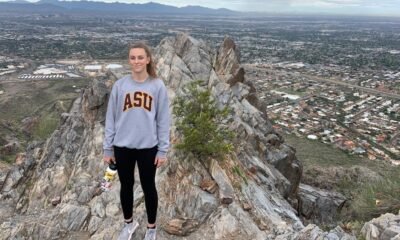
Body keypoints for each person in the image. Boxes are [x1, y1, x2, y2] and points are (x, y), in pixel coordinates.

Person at [103, 41, 170, 240]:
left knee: (149, 187)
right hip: (122, 146)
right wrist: (108, 149)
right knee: (126, 186)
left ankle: (151, 228)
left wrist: (163, 150)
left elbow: (163, 120)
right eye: (133, 57)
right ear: (129, 60)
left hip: (148, 147)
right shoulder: (120, 85)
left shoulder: (157, 86)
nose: (137, 61)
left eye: (140, 57)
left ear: (148, 59)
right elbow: (111, 118)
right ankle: (129, 225)